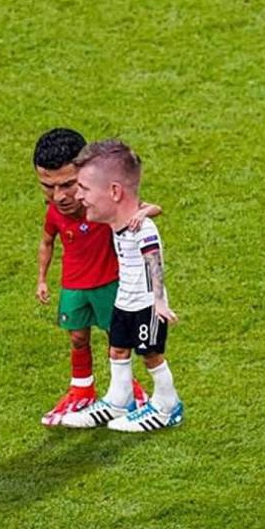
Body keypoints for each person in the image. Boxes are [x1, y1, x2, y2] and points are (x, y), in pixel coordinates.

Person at [33, 128, 158, 426]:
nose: (59, 197)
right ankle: (82, 390)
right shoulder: (55, 212)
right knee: (77, 337)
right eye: (47, 187)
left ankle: (130, 392)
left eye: (68, 185)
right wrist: (41, 278)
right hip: (74, 286)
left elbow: (145, 210)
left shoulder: (106, 205)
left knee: (118, 339)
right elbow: (47, 241)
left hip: (110, 286)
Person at [62, 139, 184, 432]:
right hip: (124, 300)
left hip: (145, 303)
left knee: (150, 354)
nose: (79, 196)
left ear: (114, 191)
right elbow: (149, 206)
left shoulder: (142, 228)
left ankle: (168, 407)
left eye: (85, 189)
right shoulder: (125, 219)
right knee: (118, 349)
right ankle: (119, 400)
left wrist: (159, 302)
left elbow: (154, 259)